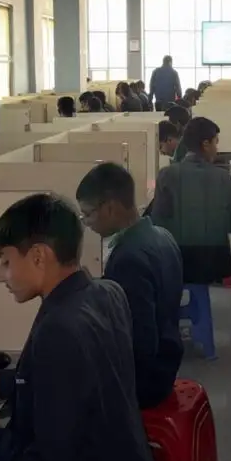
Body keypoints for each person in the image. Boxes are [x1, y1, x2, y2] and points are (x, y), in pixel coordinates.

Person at [0, 194, 161, 461]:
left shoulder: (58, 329)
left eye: (6, 261)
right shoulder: (107, 293)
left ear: (38, 257)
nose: (0, 275)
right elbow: (73, 382)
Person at [76, 163, 184, 410]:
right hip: (168, 362)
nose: (87, 223)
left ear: (110, 208)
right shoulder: (161, 236)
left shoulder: (128, 259)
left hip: (145, 382)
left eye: (88, 214)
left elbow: (139, 344)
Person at [150, 117, 231, 285]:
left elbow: (158, 221)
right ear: (206, 144)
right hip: (212, 262)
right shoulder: (222, 177)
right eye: (215, 142)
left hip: (177, 260)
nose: (217, 149)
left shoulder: (166, 175)